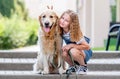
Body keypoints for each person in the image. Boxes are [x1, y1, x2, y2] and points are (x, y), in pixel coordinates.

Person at [58, 10, 92, 75]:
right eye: (62, 18)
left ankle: (83, 66)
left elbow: (87, 47)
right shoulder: (61, 30)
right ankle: (73, 66)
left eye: (66, 21)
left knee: (73, 51)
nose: (63, 21)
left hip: (84, 52)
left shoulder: (75, 33)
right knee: (62, 51)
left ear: (71, 24)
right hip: (72, 51)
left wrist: (71, 45)